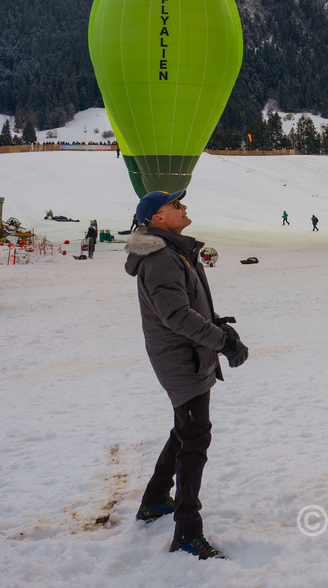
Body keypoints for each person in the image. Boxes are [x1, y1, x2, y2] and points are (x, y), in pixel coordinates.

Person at [125, 190, 249, 561]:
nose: (184, 208)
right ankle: (186, 533)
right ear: (158, 218)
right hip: (181, 359)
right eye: (176, 205)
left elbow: (187, 304)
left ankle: (154, 499)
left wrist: (217, 326)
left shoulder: (174, 251)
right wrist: (223, 341)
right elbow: (176, 315)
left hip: (190, 354)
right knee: (195, 437)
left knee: (186, 429)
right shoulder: (161, 257)